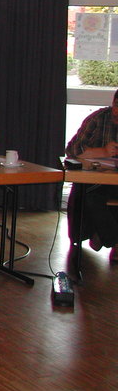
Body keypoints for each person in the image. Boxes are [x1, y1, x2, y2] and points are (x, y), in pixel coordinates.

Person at [65, 89, 118, 263]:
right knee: (91, 196)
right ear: (113, 104)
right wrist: (103, 152)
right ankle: (113, 240)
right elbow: (72, 150)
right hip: (98, 181)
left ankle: (103, 235)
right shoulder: (98, 118)